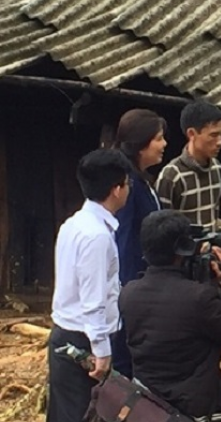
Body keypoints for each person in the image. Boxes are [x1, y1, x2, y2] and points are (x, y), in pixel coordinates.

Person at [119, 209, 221, 421]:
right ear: (183, 249)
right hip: (196, 407)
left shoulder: (128, 293)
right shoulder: (199, 298)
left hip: (149, 406)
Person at [47, 149, 131, 422]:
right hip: (83, 340)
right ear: (116, 189)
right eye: (126, 183)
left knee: (66, 413)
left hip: (67, 334)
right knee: (82, 414)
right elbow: (93, 299)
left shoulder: (74, 223)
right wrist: (102, 351)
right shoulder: (97, 236)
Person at [111, 108, 168, 378]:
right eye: (158, 138)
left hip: (141, 282)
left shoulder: (142, 180)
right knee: (126, 356)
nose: (164, 144)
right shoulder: (127, 184)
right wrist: (126, 288)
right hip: (132, 283)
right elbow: (121, 239)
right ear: (141, 143)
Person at [156, 101, 221, 231]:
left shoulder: (218, 169)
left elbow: (214, 216)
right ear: (192, 134)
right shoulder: (172, 176)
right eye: (213, 135)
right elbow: (162, 229)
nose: (220, 142)